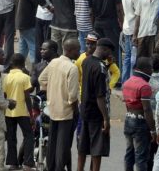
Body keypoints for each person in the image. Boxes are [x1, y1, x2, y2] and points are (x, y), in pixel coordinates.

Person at [38, 38, 80, 171]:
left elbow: (41, 79)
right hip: (66, 111)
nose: (79, 52)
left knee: (53, 141)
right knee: (63, 144)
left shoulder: (53, 63)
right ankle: (59, 168)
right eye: (78, 50)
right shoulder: (72, 68)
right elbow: (73, 96)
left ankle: (51, 166)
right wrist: (76, 111)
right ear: (71, 50)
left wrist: (52, 89)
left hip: (52, 107)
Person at [77, 38, 113, 171]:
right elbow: (100, 96)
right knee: (97, 149)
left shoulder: (87, 61)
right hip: (97, 113)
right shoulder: (100, 68)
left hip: (85, 110)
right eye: (109, 52)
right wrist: (106, 118)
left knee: (83, 146)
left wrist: (108, 64)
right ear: (104, 49)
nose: (109, 55)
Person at [123, 56, 158, 171]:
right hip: (140, 123)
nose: (152, 70)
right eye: (151, 68)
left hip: (128, 119)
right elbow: (147, 109)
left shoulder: (127, 82)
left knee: (129, 153)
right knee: (141, 157)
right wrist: (153, 130)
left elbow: (127, 105)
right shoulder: (145, 86)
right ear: (145, 68)